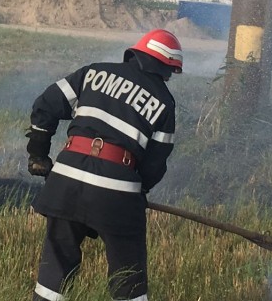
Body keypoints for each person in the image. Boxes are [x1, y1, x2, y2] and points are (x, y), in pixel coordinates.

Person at [25, 28, 182, 301]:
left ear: (135, 54)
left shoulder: (93, 72)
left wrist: (38, 153)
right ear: (166, 68)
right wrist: (138, 192)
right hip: (116, 191)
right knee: (128, 275)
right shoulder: (164, 103)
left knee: (55, 270)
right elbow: (155, 164)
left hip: (66, 179)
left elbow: (46, 105)